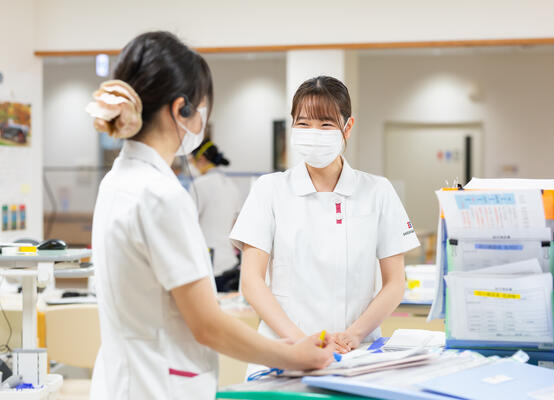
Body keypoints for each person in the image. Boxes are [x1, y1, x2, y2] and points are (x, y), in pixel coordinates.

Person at [86, 32, 334, 400]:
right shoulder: (161, 195)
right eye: (202, 108)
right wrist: (292, 356)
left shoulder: (116, 182)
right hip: (157, 385)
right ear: (180, 109)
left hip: (120, 381)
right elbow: (207, 326)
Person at [230, 76, 420, 363]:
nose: (313, 132)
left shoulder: (377, 191)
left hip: (356, 350)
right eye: (303, 123)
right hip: (285, 348)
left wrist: (355, 333)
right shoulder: (269, 190)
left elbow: (395, 283)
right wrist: (299, 341)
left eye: (326, 124)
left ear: (348, 127)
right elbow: (252, 281)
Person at [188, 139, 241, 292]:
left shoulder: (199, 185)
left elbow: (190, 223)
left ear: (202, 159)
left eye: (193, 160)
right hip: (229, 263)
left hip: (207, 265)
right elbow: (234, 226)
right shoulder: (232, 186)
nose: (192, 165)